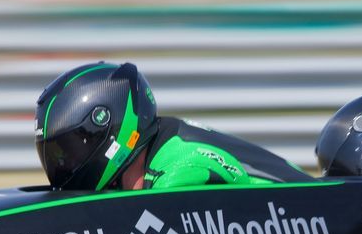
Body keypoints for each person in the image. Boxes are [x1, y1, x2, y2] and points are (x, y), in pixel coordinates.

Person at [34, 61, 309, 192]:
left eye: (67, 150)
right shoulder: (147, 167)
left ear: (105, 132)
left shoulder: (178, 168)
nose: (62, 164)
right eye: (55, 155)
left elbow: (220, 169)